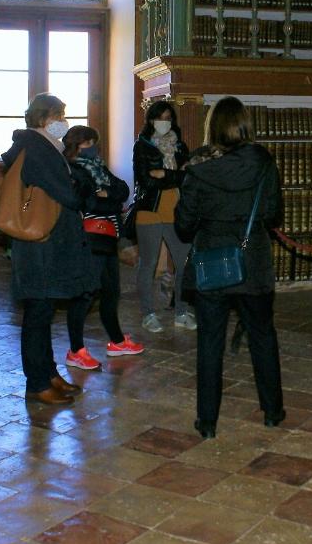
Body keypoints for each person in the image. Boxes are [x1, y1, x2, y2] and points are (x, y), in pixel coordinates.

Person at [175, 96, 285, 439]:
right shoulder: (265, 164)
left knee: (209, 343)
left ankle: (207, 421)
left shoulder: (197, 169)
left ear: (213, 128)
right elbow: (272, 214)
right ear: (245, 125)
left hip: (212, 265)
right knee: (263, 338)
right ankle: (272, 411)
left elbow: (183, 226)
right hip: (253, 263)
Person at [1, 93, 99, 405]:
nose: (63, 123)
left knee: (43, 313)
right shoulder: (37, 149)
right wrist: (83, 186)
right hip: (39, 246)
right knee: (37, 315)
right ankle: (37, 384)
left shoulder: (42, 147)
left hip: (45, 245)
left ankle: (49, 374)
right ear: (45, 119)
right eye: (59, 116)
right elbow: (69, 196)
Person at [62, 125, 144, 368]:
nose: (92, 148)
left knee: (111, 292)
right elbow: (89, 203)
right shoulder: (73, 170)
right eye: (87, 143)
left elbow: (123, 189)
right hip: (90, 238)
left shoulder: (99, 166)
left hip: (109, 237)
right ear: (76, 146)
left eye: (93, 143)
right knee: (85, 295)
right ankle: (76, 350)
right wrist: (110, 201)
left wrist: (107, 195)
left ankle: (117, 341)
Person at [132, 100, 196, 333]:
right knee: (147, 265)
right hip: (150, 211)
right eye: (160, 118)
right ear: (151, 120)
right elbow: (146, 181)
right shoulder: (142, 146)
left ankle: (181, 310)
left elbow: (188, 177)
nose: (165, 122)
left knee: (184, 262)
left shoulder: (180, 146)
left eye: (169, 118)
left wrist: (165, 174)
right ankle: (148, 313)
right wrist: (175, 175)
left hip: (176, 211)